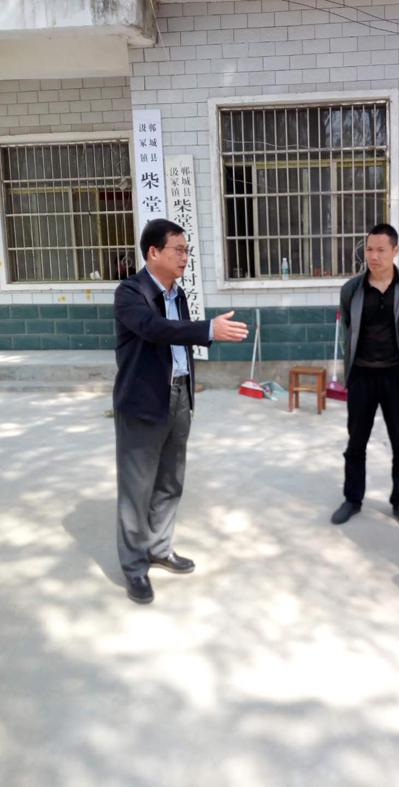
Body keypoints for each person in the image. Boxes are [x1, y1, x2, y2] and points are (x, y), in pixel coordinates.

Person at [113, 219, 248, 604]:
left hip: (179, 397)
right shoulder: (130, 292)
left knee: (170, 481)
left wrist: (188, 387)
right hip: (142, 402)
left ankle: (159, 547)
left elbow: (178, 341)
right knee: (136, 490)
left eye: (187, 250)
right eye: (179, 250)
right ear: (154, 252)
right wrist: (207, 330)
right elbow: (155, 329)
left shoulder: (178, 293)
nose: (185, 257)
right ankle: (134, 568)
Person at [331, 223, 399, 528]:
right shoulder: (352, 289)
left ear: (395, 251)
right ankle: (352, 499)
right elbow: (348, 329)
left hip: (397, 377)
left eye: (381, 250)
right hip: (362, 376)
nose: (373, 256)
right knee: (356, 442)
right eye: (369, 249)